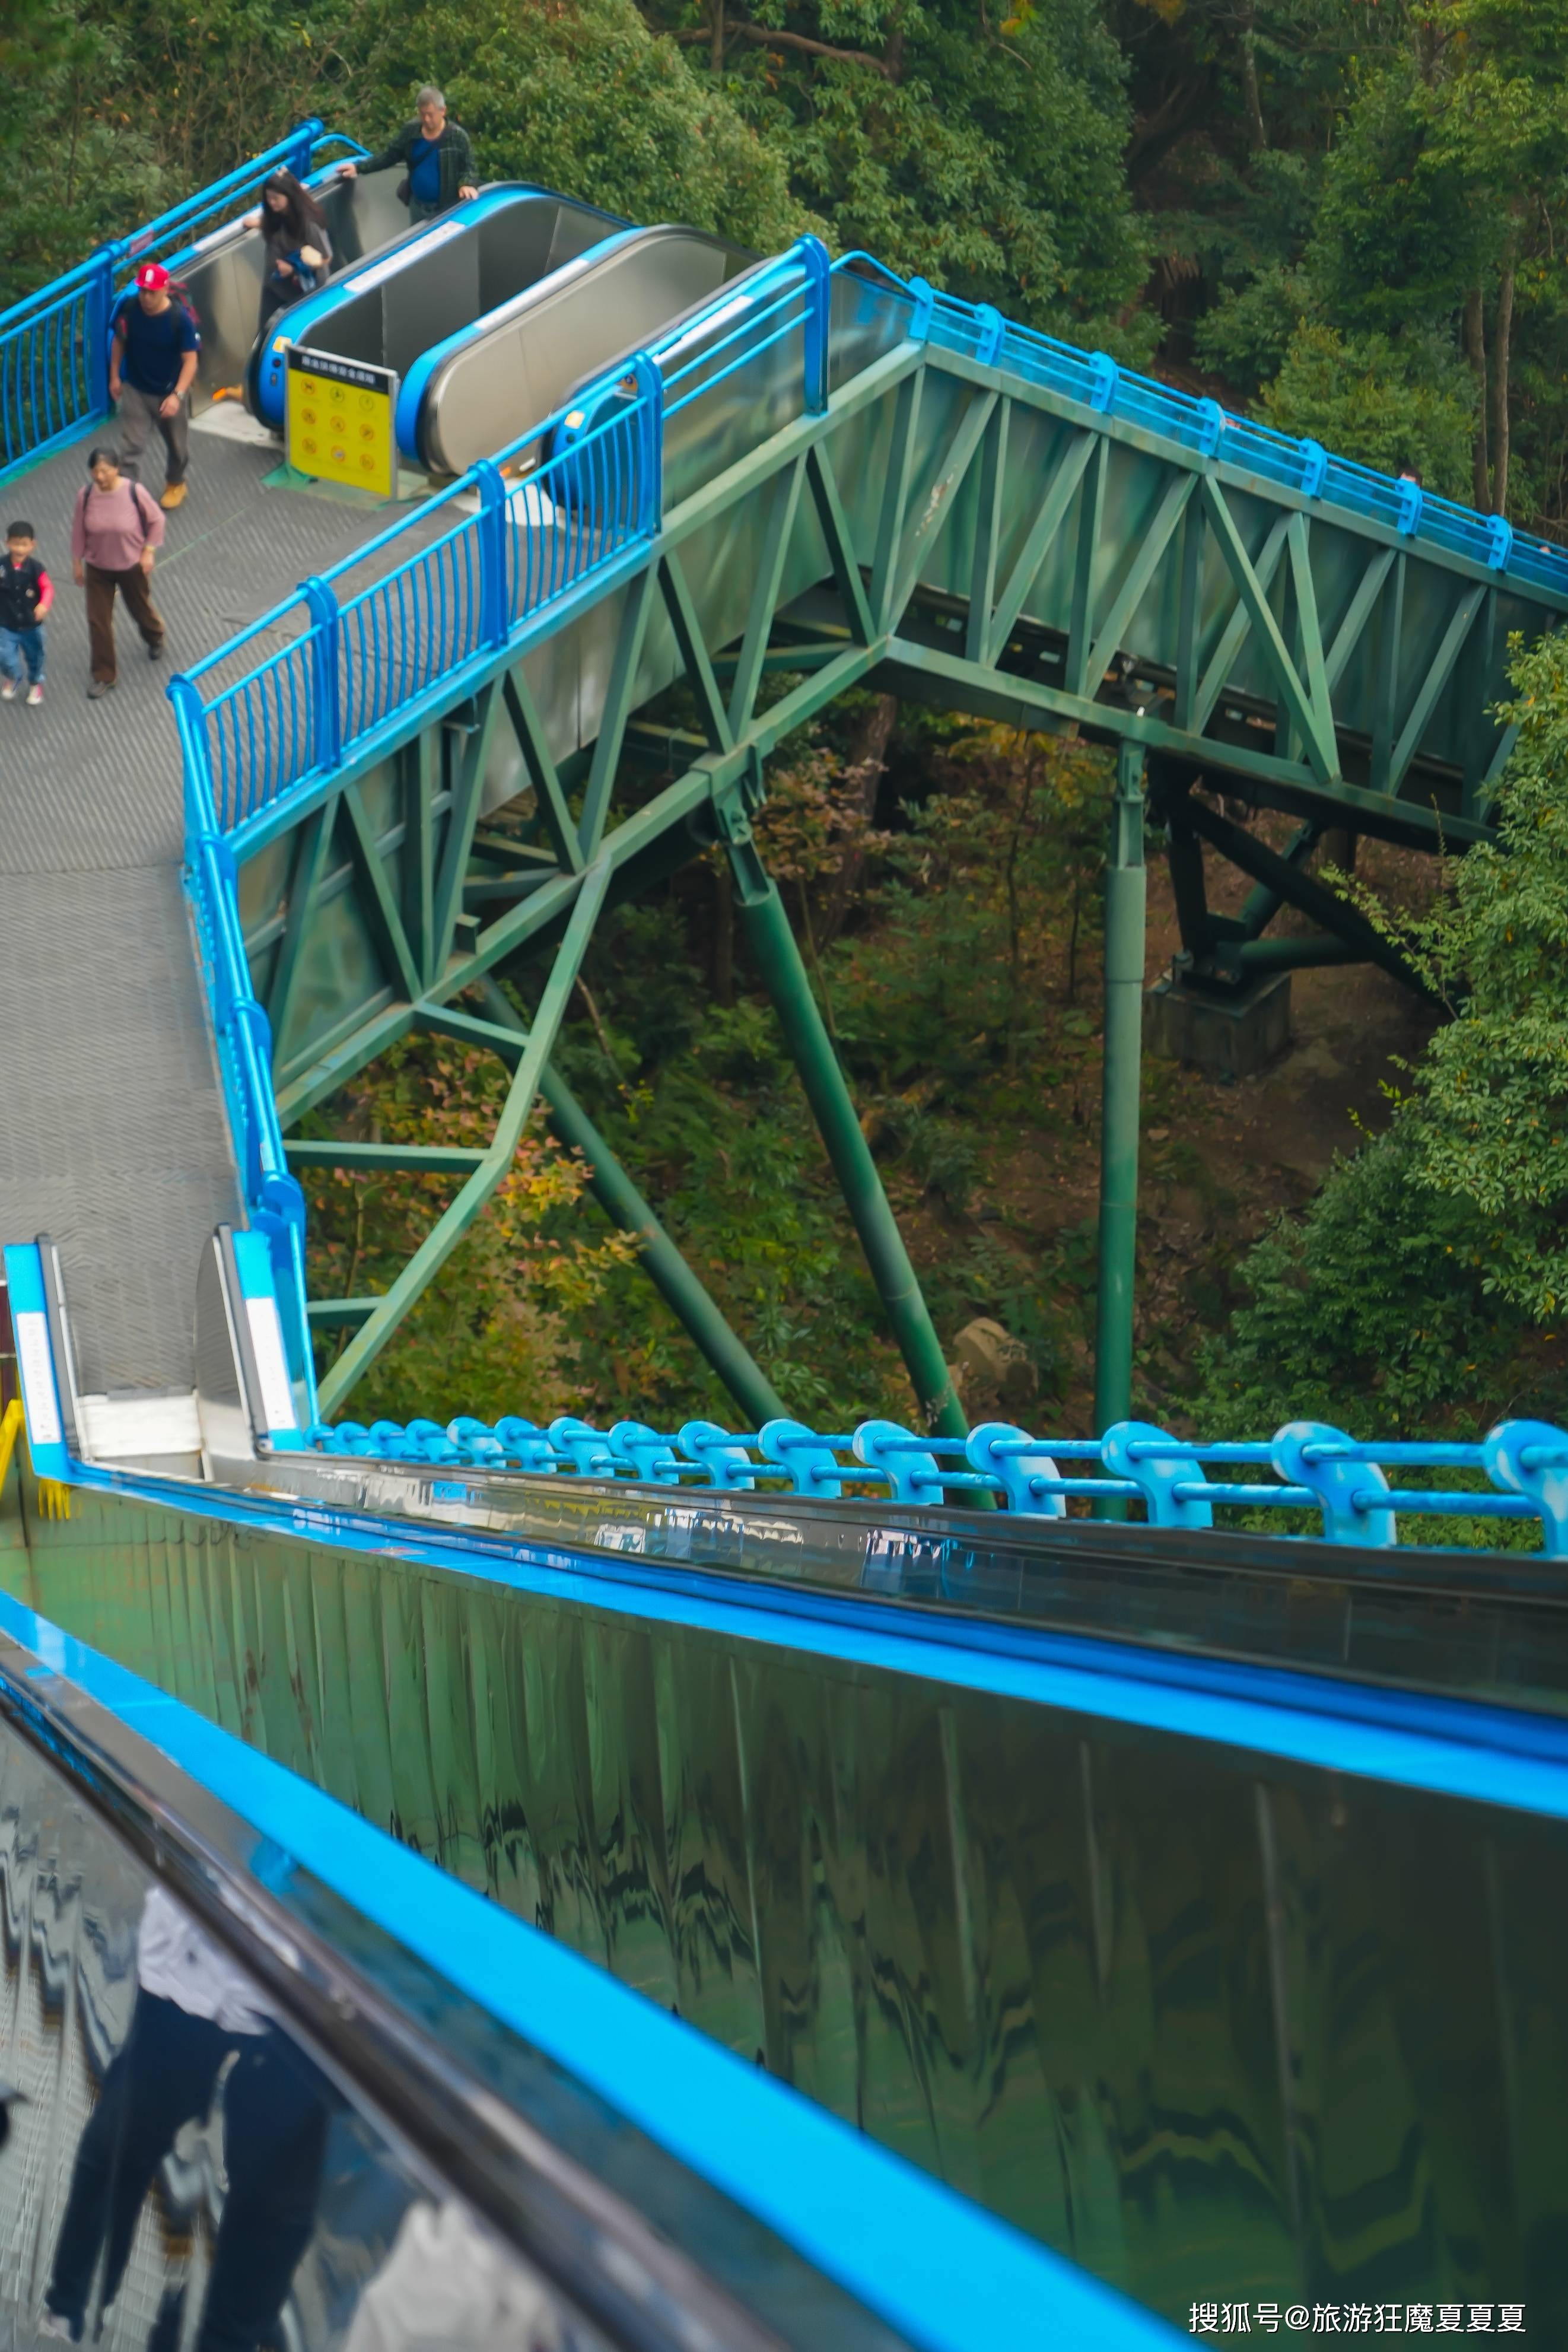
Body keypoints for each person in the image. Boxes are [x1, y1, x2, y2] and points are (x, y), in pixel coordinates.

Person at [41, 1884, 329, 2350]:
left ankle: (213, 2341)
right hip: (193, 1967)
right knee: (118, 2149)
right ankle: (72, 2310)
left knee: (270, 2215)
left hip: (309, 2004)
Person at [71, 446, 166, 699]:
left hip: (131, 565)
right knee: (98, 620)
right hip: (98, 568)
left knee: (139, 608)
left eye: (105, 471)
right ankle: (104, 675)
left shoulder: (134, 492)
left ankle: (155, 635)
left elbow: (157, 520)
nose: (100, 477)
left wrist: (149, 551)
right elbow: (79, 529)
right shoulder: (86, 495)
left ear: (116, 468)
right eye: (95, 471)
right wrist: (77, 562)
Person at [110, 261, 200, 511]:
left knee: (177, 445)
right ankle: (127, 493)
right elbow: (119, 341)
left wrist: (177, 396)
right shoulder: (130, 309)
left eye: (152, 292)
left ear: (165, 290)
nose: (146, 298)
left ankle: (176, 482)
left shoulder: (179, 319)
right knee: (132, 445)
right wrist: (114, 376)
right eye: (143, 291)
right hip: (137, 389)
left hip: (168, 391)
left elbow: (190, 361)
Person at [338, 85, 479, 224]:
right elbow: (389, 156)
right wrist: (358, 168)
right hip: (417, 206)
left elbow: (470, 167)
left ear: (443, 111)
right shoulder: (411, 132)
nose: (426, 119)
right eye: (422, 114)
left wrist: (466, 184)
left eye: (430, 115)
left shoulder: (457, 137)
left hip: (445, 209)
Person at [243, 169, 334, 333]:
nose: (272, 203)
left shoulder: (309, 224)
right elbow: (272, 226)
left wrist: (294, 269)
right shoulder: (274, 216)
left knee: (293, 332)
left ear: (289, 196)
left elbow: (326, 258)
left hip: (303, 291)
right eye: (269, 198)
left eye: (276, 198)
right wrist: (258, 223)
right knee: (266, 331)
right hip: (274, 284)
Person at [0, 519, 53, 707]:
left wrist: (44, 605)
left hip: (32, 625)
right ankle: (13, 676)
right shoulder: (2, 567)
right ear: (7, 543)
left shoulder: (36, 569)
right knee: (4, 655)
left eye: (24, 544)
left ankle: (35, 682)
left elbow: (47, 588)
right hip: (6, 623)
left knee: (36, 656)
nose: (20, 549)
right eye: (15, 544)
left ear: (32, 545)